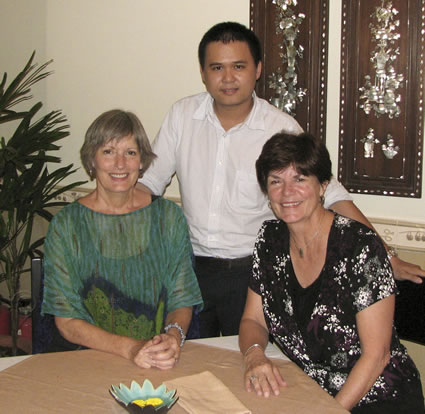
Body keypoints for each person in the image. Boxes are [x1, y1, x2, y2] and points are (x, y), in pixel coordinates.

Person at [139, 21, 425, 338]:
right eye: (217, 67)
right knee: (189, 365)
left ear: (257, 69)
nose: (228, 78)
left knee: (246, 366)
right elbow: (148, 184)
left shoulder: (279, 127)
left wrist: (387, 257)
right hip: (191, 270)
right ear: (204, 73)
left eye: (239, 66)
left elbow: (331, 195)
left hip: (253, 273)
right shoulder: (182, 116)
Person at [239, 132, 424, 413]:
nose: (287, 192)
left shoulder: (360, 246)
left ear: (323, 186)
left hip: (377, 396)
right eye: (276, 181)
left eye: (300, 179)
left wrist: (329, 411)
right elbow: (253, 319)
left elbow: (377, 356)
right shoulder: (269, 240)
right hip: (307, 392)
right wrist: (254, 355)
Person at [41, 109, 203, 370]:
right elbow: (66, 320)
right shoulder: (66, 225)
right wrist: (131, 348)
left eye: (130, 152)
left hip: (156, 358)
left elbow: (181, 297)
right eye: (108, 152)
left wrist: (173, 337)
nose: (120, 164)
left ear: (142, 161)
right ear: (91, 160)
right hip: (85, 360)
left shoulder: (168, 217)